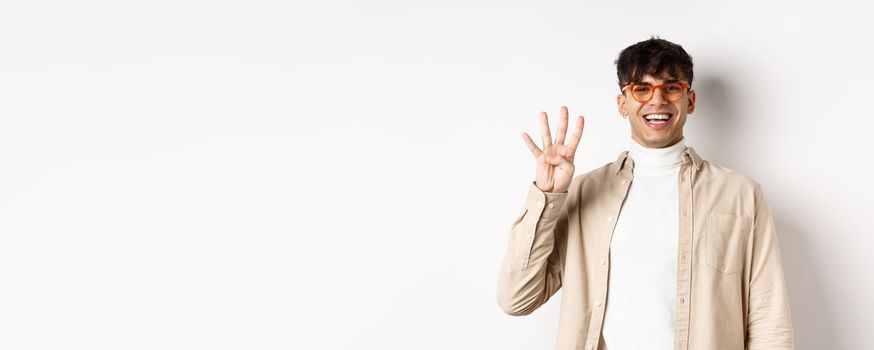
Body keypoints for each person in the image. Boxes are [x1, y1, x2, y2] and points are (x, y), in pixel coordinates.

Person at [496, 37, 795, 350]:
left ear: (690, 100)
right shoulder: (583, 193)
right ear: (622, 103)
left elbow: (769, 321)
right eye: (642, 88)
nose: (657, 100)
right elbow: (516, 298)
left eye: (671, 87)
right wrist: (548, 196)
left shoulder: (740, 195)